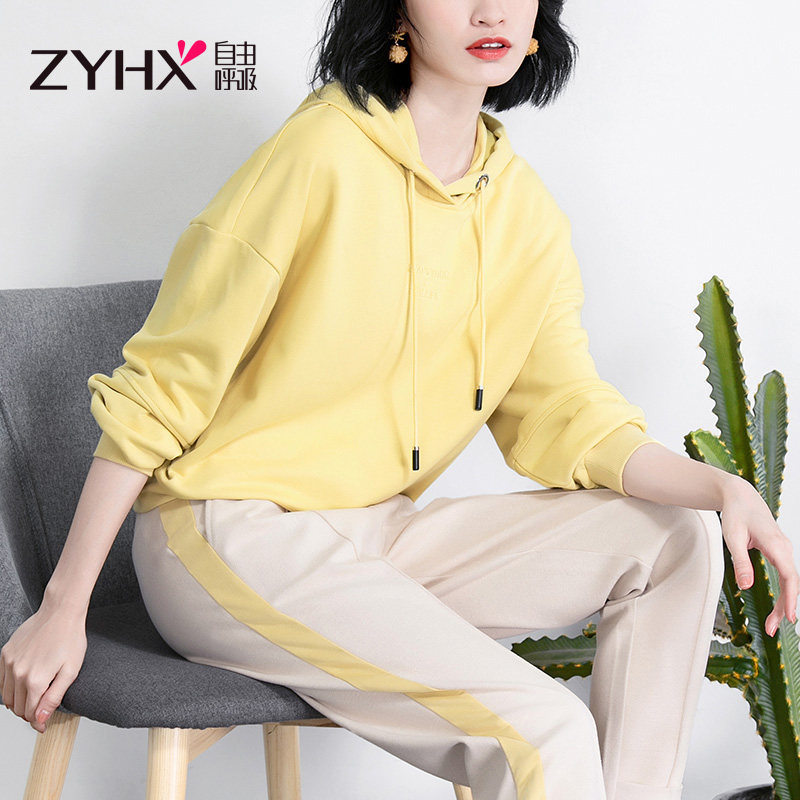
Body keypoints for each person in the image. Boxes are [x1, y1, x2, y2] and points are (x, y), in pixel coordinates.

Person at [2, 1, 798, 798]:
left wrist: (721, 488)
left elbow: (567, 416)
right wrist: (63, 607)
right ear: (398, 13)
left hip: (375, 534)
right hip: (224, 534)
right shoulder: (318, 154)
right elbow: (162, 387)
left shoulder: (527, 216)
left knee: (675, 540)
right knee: (542, 732)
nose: (490, 10)